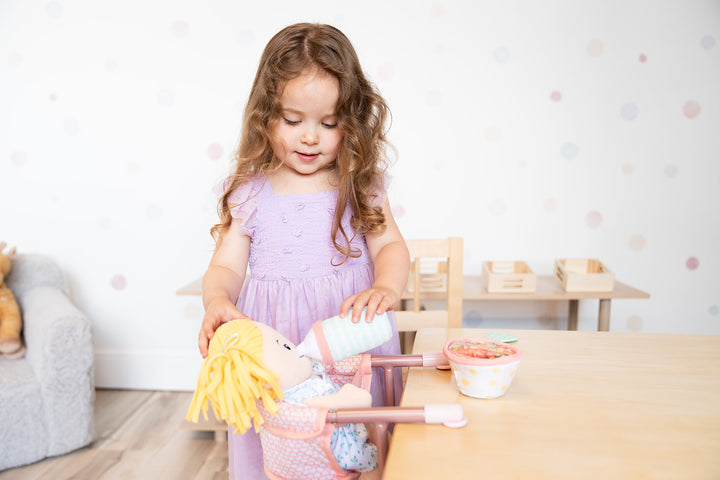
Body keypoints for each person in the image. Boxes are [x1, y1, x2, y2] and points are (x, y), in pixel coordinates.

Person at [197, 23, 409, 479]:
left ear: (350, 122)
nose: (310, 137)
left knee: (356, 442)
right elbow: (226, 267)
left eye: (329, 123)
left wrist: (387, 286)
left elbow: (389, 243)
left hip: (348, 337)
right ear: (265, 114)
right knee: (277, 441)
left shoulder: (360, 184)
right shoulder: (250, 191)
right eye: (293, 121)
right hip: (277, 344)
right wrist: (217, 301)